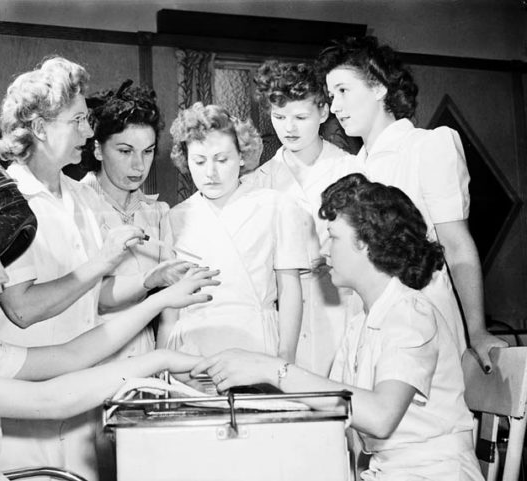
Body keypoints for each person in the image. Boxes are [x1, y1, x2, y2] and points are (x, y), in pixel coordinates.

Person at [194, 173, 484, 481]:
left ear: (367, 244)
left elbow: (380, 416)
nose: (324, 251)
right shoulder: (363, 322)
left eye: (333, 237)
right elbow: (335, 409)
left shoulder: (410, 313)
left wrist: (273, 369)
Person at [0, 57, 193, 480]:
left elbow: (96, 295)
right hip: (25, 393)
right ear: (40, 128)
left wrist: (152, 281)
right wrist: (102, 261)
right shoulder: (6, 198)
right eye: (77, 120)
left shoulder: (80, 197)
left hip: (80, 388)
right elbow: (21, 309)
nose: (86, 130)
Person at [0, 252, 217, 480]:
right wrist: (158, 359)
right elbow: (49, 400)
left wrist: (161, 300)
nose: (3, 278)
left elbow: (71, 356)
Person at [318, 35, 505, 368]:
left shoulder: (428, 147)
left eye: (344, 91)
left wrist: (476, 331)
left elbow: (457, 246)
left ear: (378, 88)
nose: (334, 107)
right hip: (366, 322)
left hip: (423, 319)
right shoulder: (352, 167)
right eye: (332, 96)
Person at [159, 102, 310, 363]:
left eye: (222, 159)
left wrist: (286, 357)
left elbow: (290, 289)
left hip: (257, 344)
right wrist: (163, 364)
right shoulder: (175, 217)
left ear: (241, 156)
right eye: (199, 161)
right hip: (191, 349)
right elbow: (170, 308)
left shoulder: (275, 205)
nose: (210, 173)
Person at [244, 59, 358, 375]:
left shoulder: (351, 169)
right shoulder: (259, 180)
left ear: (323, 112)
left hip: (342, 298)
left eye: (300, 117)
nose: (289, 128)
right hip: (284, 304)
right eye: (279, 117)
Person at [80, 79, 173, 361]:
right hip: (88, 353)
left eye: (147, 151)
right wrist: (149, 280)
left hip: (144, 352)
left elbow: (170, 306)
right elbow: (89, 295)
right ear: (97, 150)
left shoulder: (158, 213)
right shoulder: (76, 205)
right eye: (125, 151)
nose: (139, 165)